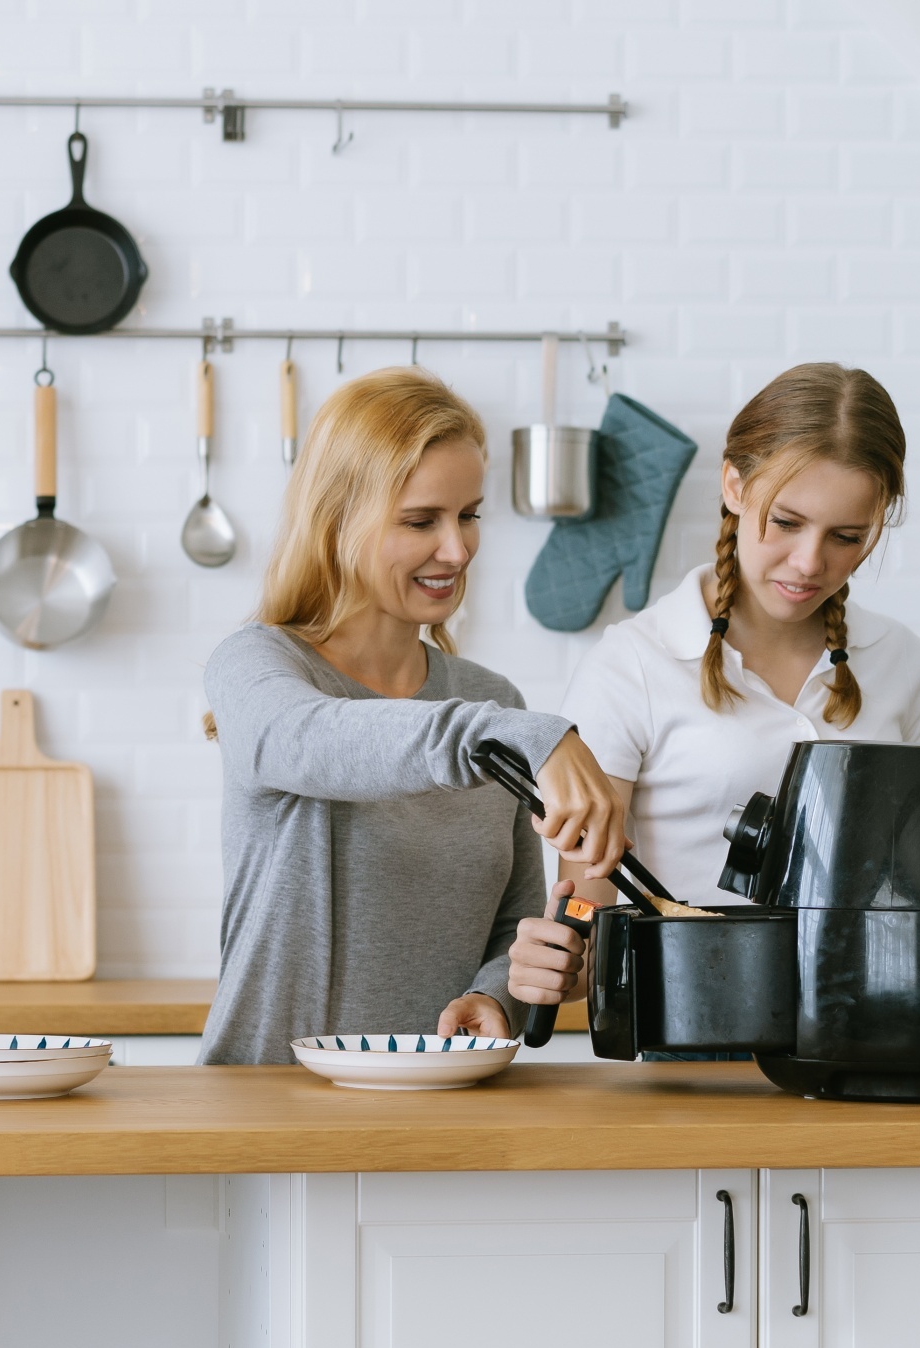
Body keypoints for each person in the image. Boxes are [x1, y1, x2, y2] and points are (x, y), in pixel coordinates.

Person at [198, 367, 629, 1066]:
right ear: (338, 520)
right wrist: (528, 736)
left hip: (442, 1111)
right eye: (421, 521)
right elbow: (310, 740)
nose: (457, 551)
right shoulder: (257, 666)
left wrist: (499, 993)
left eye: (469, 515)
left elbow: (513, 925)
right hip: (272, 1110)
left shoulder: (492, 699)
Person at [554, 361, 920, 928]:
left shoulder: (903, 661)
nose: (811, 563)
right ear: (735, 486)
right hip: (688, 1012)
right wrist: (562, 949)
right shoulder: (630, 666)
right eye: (787, 522)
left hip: (872, 1014)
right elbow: (585, 911)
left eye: (847, 537)